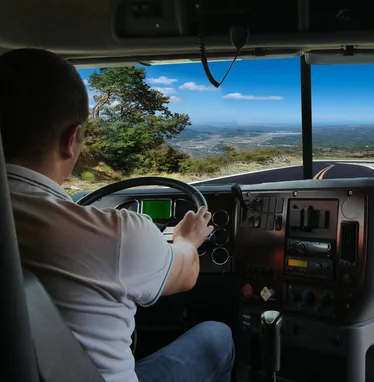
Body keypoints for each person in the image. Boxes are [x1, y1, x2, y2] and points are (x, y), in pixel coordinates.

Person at [0, 48, 234, 382]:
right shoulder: (117, 233)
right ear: (72, 140)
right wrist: (186, 238)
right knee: (217, 335)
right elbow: (186, 274)